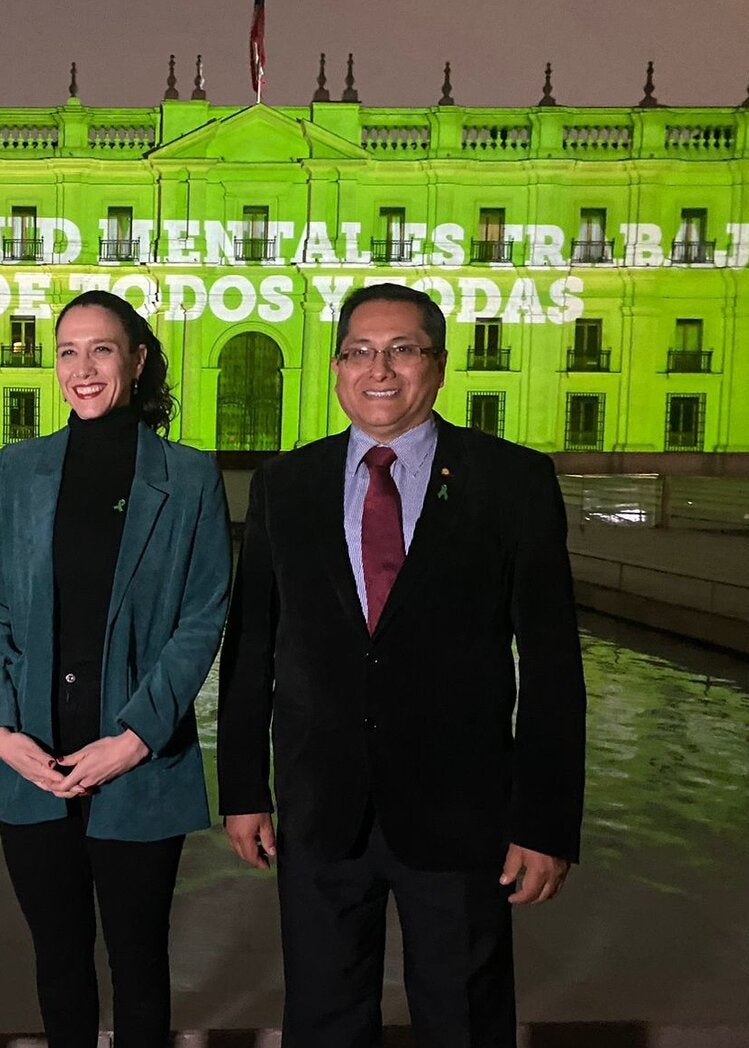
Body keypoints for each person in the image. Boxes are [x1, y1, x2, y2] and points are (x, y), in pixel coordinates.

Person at [218, 282, 587, 1047]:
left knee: (464, 1022)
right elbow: (251, 649)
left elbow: (552, 665)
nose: (378, 368)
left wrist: (545, 823)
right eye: (359, 351)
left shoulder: (512, 481)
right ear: (336, 368)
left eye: (402, 350)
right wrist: (244, 791)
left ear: (438, 365)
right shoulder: (285, 485)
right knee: (322, 1020)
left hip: (462, 816)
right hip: (321, 812)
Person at [0, 289, 232, 1048]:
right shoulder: (20, 468)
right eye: (67, 352)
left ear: (138, 360)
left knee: (140, 965)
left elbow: (202, 618)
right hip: (32, 762)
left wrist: (136, 738)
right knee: (57, 961)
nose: (82, 369)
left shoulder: (189, 476)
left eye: (101, 350)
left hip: (138, 765)